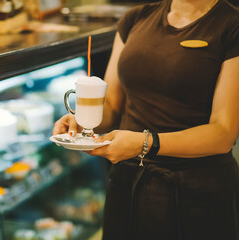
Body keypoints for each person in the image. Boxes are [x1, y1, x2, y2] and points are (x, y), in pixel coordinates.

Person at [52, 0, 239, 239]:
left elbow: (223, 133)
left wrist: (145, 143)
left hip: (195, 191)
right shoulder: (135, 18)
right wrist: (83, 121)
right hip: (128, 184)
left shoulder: (231, 25)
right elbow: (111, 105)